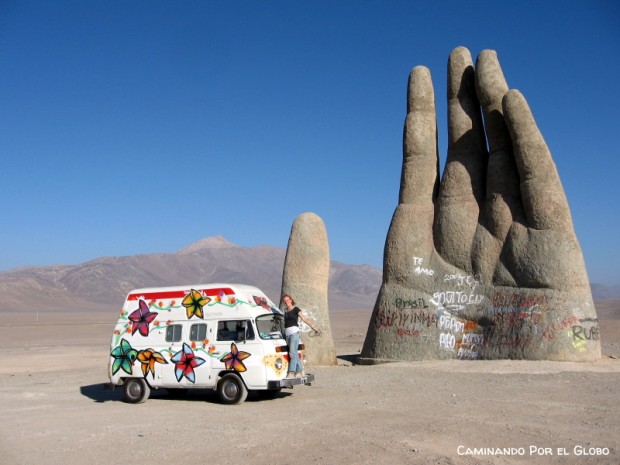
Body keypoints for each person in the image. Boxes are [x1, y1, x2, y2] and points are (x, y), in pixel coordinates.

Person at [282, 294, 320, 378]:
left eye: (288, 300)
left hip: (294, 334)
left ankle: (291, 373)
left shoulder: (296, 309)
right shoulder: (285, 311)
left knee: (292, 354)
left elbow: (304, 319)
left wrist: (314, 327)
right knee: (294, 353)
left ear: (291, 300)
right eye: (285, 301)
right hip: (287, 334)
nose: (286, 302)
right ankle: (300, 370)